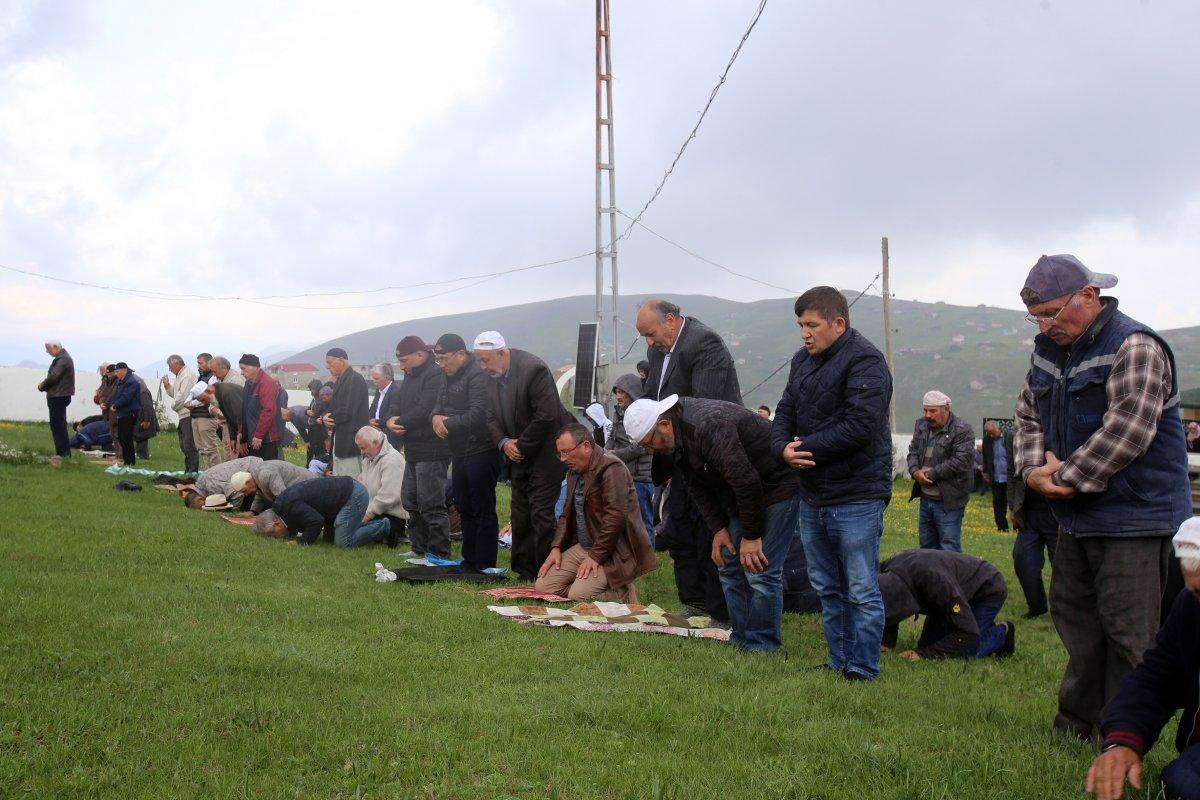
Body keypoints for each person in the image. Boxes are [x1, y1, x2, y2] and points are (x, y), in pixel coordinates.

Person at [1014, 254, 1192, 742]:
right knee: (1076, 621)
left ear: (1088, 297)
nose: (1044, 326)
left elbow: (1128, 430)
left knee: (1129, 632)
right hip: (1077, 516)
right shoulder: (1047, 353)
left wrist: (1064, 476)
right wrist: (1032, 472)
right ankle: (1075, 725)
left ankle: (1122, 736)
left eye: (1051, 313)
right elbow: (1027, 417)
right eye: (1036, 318)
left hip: (1136, 517)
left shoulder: (1136, 346)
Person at [770, 286, 893, 679]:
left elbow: (859, 427)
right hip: (813, 494)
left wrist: (802, 448)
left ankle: (862, 667)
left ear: (838, 323)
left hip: (857, 494)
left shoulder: (867, 362)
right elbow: (785, 410)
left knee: (860, 588)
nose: (805, 334)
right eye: (800, 325)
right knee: (826, 586)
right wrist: (781, 449)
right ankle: (838, 659)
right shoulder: (801, 361)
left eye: (812, 325)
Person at [627, 394, 802, 650]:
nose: (650, 451)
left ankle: (762, 644)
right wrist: (719, 529)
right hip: (743, 494)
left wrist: (751, 536)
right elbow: (695, 485)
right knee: (728, 563)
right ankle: (741, 637)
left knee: (761, 569)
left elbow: (745, 480)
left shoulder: (708, 426)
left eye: (649, 444)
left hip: (778, 487)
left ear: (664, 425)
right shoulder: (675, 437)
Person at [636, 298, 741, 622]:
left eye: (651, 334)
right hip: (678, 454)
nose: (649, 343)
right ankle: (694, 599)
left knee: (710, 527)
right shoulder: (657, 351)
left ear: (670, 319)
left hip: (709, 452)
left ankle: (720, 607)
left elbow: (702, 405)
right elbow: (652, 397)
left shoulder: (704, 344)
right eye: (645, 336)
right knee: (679, 525)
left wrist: (666, 433)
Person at [1085, 518, 1200, 800]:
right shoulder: (1190, 607)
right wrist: (1124, 740)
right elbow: (1157, 678)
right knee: (1181, 781)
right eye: (1196, 591)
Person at [475, 331, 573, 581]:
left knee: (540, 511)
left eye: (485, 360)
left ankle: (546, 571)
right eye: (479, 360)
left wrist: (521, 446)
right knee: (520, 511)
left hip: (545, 452)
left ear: (501, 353)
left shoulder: (533, 370)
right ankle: (525, 570)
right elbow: (488, 416)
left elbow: (547, 416)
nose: (482, 366)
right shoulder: (489, 376)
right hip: (516, 452)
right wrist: (504, 443)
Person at [536, 423, 656, 600]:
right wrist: (556, 547)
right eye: (560, 453)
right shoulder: (574, 470)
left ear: (586, 446)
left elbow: (615, 518)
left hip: (613, 552)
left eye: (566, 452)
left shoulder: (612, 468)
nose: (562, 459)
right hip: (584, 547)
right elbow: (565, 514)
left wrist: (595, 556)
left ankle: (622, 589)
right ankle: (591, 586)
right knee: (543, 587)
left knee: (578, 595)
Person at [431, 333, 502, 571]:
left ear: (461, 354)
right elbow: (438, 404)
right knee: (464, 506)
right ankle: (469, 559)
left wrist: (447, 423)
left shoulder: (477, 374)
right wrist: (435, 417)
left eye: (444, 359)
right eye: (438, 360)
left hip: (481, 449)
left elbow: (479, 414)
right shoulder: (447, 375)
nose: (442, 365)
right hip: (459, 450)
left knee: (482, 507)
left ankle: (484, 562)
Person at [878, 548, 1015, 660]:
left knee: (963, 650)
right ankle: (983, 626)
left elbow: (968, 632)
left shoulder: (938, 585)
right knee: (928, 645)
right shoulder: (886, 570)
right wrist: (886, 643)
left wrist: (924, 655)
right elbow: (889, 605)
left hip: (986, 590)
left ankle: (1002, 633)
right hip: (947, 595)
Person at [387, 336, 451, 560]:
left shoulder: (435, 374)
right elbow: (397, 400)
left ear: (420, 355)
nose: (401, 365)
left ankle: (438, 553)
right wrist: (391, 419)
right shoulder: (410, 374)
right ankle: (419, 547)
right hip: (413, 449)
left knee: (431, 503)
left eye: (404, 360)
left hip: (432, 449)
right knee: (411, 500)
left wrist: (400, 422)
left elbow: (425, 409)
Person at [906, 390, 975, 552]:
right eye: (925, 410)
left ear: (946, 409)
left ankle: (951, 571)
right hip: (926, 498)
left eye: (933, 411)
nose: (928, 415)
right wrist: (915, 471)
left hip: (948, 500)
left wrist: (930, 474)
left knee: (949, 548)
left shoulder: (962, 429)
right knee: (927, 547)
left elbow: (961, 461)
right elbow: (913, 451)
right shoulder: (921, 425)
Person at [253, 475, 393, 547]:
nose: (277, 538)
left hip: (354, 495)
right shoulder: (283, 508)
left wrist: (302, 542)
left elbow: (316, 521)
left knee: (343, 542)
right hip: (343, 496)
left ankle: (384, 526)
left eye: (273, 535)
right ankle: (360, 527)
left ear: (276, 523)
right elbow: (299, 522)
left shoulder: (290, 506)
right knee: (329, 540)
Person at [606, 373, 655, 542]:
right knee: (627, 522)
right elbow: (612, 435)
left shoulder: (643, 412)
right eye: (616, 392)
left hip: (641, 477)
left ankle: (648, 555)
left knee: (643, 522)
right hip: (624, 473)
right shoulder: (619, 411)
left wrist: (616, 455)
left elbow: (641, 446)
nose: (618, 396)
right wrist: (605, 452)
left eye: (621, 392)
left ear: (631, 392)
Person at [320, 347, 369, 477]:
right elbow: (333, 407)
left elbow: (347, 410)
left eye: (329, 362)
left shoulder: (354, 379)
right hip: (341, 438)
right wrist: (325, 416)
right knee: (340, 478)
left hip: (351, 441)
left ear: (341, 360)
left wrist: (330, 418)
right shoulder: (340, 380)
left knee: (351, 479)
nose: (327, 366)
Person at [354, 425, 407, 542]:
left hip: (392, 517)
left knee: (351, 534)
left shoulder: (392, 460)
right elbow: (360, 487)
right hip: (372, 513)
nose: (362, 452)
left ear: (376, 443)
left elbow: (389, 496)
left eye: (363, 448)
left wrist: (366, 516)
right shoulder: (367, 460)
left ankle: (397, 535)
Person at [228, 458, 317, 514]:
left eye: (244, 491)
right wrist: (253, 512)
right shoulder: (255, 476)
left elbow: (283, 497)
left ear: (248, 482)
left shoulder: (265, 474)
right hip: (303, 487)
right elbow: (261, 494)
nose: (246, 494)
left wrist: (271, 515)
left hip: (311, 486)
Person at [237, 354, 284, 460]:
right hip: (251, 436)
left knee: (265, 467)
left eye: (243, 369)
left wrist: (259, 435)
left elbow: (268, 410)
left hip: (265, 438)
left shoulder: (266, 383)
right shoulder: (248, 384)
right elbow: (244, 410)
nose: (241, 373)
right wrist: (241, 433)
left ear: (255, 367)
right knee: (247, 467)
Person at [37, 340, 75, 459]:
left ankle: (62, 454)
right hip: (60, 395)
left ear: (55, 347)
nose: (47, 351)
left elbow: (53, 377)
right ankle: (63, 453)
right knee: (59, 425)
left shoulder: (63, 359)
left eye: (48, 348)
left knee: (58, 425)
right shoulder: (63, 358)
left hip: (58, 396)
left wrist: (41, 386)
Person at [162, 354, 199, 472]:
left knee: (188, 444)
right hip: (183, 414)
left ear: (177, 363)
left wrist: (173, 407)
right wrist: (167, 386)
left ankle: (192, 471)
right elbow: (177, 394)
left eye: (170, 366)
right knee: (184, 444)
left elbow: (182, 397)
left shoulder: (187, 375)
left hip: (188, 413)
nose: (170, 369)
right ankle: (189, 469)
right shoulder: (180, 375)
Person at [186, 456, 265, 508]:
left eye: (202, 506)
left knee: (254, 505)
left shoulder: (211, 488)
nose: (204, 507)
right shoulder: (201, 480)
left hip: (255, 470)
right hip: (251, 463)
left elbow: (237, 493)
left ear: (199, 499)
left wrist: (232, 508)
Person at [105, 362, 141, 465]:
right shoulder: (121, 381)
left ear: (124, 370)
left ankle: (130, 461)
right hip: (122, 413)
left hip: (129, 413)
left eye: (117, 371)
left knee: (126, 437)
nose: (116, 374)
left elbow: (126, 397)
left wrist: (115, 405)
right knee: (122, 437)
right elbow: (117, 395)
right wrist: (112, 403)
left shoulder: (131, 382)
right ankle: (127, 460)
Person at [209, 357, 244, 461]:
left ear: (224, 368)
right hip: (226, 425)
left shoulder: (235, 380)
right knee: (228, 453)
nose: (213, 375)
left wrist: (218, 412)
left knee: (234, 455)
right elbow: (214, 401)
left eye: (214, 371)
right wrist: (212, 409)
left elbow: (236, 410)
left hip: (234, 427)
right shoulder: (221, 380)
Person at [981, 421, 1011, 531]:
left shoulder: (1008, 437)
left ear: (998, 429)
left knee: (1014, 503)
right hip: (996, 477)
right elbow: (985, 458)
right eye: (988, 433)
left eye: (992, 433)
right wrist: (985, 472)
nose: (991, 435)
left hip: (1010, 478)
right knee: (998, 503)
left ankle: (1019, 527)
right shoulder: (987, 440)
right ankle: (1002, 528)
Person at [187, 378, 222, 469]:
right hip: (195, 416)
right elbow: (187, 402)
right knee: (201, 449)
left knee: (210, 449)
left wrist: (194, 403)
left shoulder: (211, 381)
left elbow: (213, 402)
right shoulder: (200, 378)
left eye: (203, 400)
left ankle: (217, 471)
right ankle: (208, 470)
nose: (203, 402)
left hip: (206, 418)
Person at [367, 363, 402, 448]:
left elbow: (391, 414)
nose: (374, 381)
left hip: (389, 436)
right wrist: (368, 420)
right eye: (373, 378)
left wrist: (375, 423)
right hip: (376, 433)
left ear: (386, 377)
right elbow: (372, 409)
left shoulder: (396, 392)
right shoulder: (378, 391)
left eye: (376, 378)